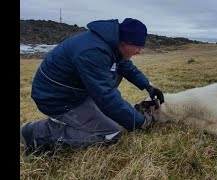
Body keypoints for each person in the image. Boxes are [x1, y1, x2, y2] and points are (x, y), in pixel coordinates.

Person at [20, 18, 165, 157]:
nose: (139, 51)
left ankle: (76, 119)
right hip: (56, 98)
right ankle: (36, 133)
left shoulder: (111, 44)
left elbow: (126, 67)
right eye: (138, 46)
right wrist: (141, 122)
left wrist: (149, 87)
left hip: (73, 92)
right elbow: (107, 97)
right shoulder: (93, 52)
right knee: (111, 133)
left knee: (114, 118)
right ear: (125, 42)